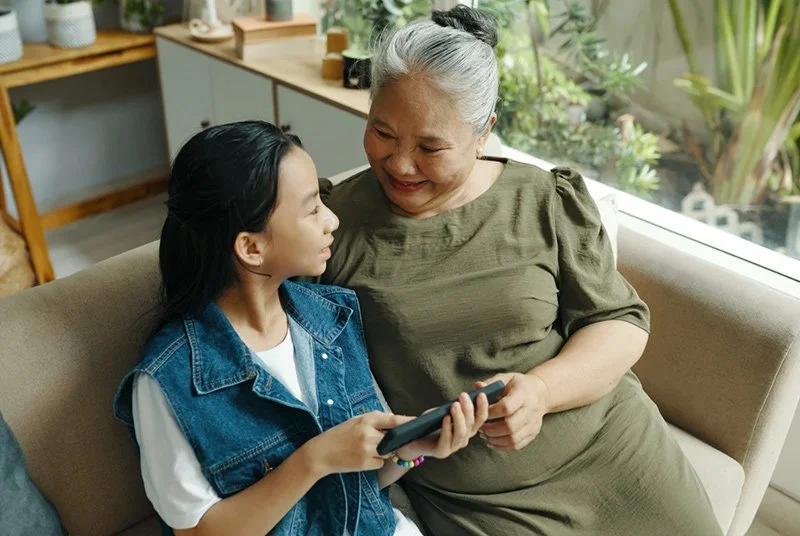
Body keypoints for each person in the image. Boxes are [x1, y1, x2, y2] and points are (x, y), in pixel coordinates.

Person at [320, 6, 724, 535]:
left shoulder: (543, 199)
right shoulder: (331, 226)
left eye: (430, 147)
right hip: (485, 504)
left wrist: (540, 392)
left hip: (616, 454)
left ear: (483, 132)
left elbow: (619, 322)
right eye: (382, 132)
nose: (399, 163)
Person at [113, 121, 489, 536]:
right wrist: (315, 459)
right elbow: (199, 532)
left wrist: (409, 450)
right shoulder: (169, 381)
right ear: (251, 247)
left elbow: (357, 482)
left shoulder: (333, 317)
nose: (332, 220)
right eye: (312, 209)